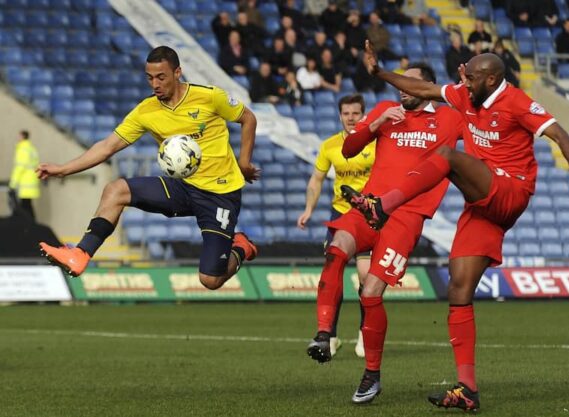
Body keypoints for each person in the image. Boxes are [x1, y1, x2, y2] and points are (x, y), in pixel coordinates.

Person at [344, 41, 569, 411]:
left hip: (509, 189)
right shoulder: (465, 95)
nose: (464, 81)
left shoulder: (518, 103)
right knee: (458, 288)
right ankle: (467, 390)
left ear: (492, 79)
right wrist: (379, 73)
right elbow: (423, 89)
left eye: (472, 77)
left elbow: (560, 134)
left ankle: (383, 206)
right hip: (482, 205)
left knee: (445, 156)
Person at [38, 46, 261, 290]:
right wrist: (63, 170)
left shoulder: (209, 97)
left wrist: (243, 163)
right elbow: (107, 147)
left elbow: (247, 118)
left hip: (220, 195)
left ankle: (241, 247)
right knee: (116, 190)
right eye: (150, 77)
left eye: (161, 77)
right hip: (183, 187)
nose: (154, 84)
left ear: (178, 73)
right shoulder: (146, 111)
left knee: (210, 280)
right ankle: (80, 253)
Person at [306, 63, 463, 405]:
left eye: (410, 82)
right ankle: (322, 333)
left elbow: (485, 124)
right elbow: (348, 150)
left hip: (406, 217)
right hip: (367, 207)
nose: (401, 88)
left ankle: (372, 375)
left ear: (429, 88)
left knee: (371, 291)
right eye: (399, 82)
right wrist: (375, 123)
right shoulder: (384, 111)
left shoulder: (450, 118)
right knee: (335, 249)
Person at [298, 94, 374, 358]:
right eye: (346, 113)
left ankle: (365, 332)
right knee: (334, 273)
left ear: (364, 114)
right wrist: (308, 209)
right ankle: (330, 334)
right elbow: (316, 179)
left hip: (368, 217)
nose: (351, 118)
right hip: (340, 215)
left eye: (356, 113)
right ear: (340, 115)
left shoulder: (375, 142)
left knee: (366, 277)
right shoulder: (330, 145)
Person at [9, 130, 40, 220]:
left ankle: (31, 226)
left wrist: (12, 184)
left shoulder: (23, 149)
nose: (17, 138)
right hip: (32, 180)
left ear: (22, 137)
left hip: (25, 182)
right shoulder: (32, 148)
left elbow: (19, 168)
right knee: (27, 205)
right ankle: (32, 225)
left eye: (19, 136)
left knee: (25, 206)